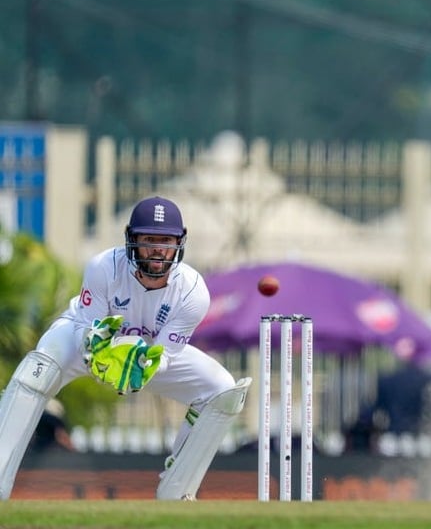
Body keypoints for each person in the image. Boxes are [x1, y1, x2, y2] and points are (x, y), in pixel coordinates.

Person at [0, 196, 251, 500]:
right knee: (35, 371)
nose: (159, 248)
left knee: (221, 389)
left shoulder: (194, 292)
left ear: (180, 242)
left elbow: (167, 356)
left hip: (146, 355)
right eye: (150, 239)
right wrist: (104, 355)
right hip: (87, 343)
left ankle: (178, 492)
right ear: (132, 240)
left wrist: (135, 365)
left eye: (167, 241)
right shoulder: (104, 267)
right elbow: (85, 330)